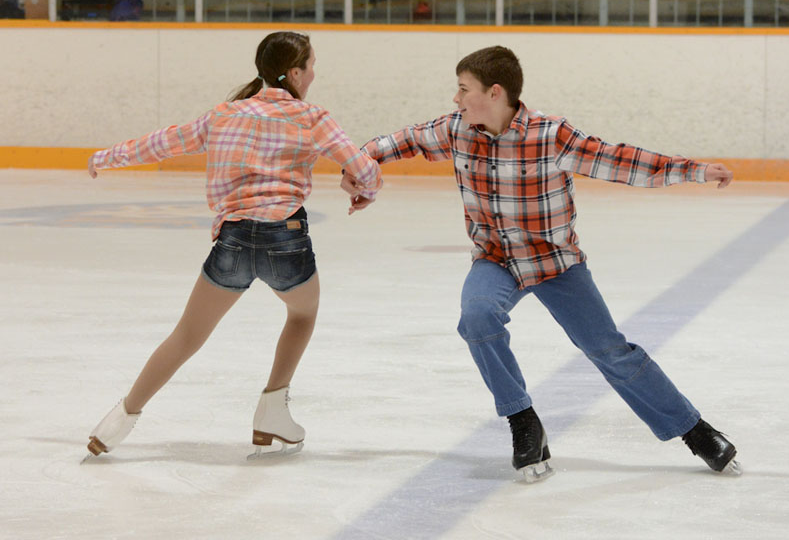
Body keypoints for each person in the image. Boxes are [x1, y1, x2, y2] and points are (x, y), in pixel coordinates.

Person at [342, 45, 739, 482]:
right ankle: (523, 420)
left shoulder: (551, 135)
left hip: (556, 264)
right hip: (496, 260)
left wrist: (696, 170)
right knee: (477, 317)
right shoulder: (457, 129)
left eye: (464, 89)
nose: (456, 98)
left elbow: (621, 162)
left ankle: (694, 430)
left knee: (609, 350)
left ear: (495, 93)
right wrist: (358, 169)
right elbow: (402, 140)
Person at [83, 31, 382, 461]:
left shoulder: (223, 115)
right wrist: (363, 190)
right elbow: (364, 169)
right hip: (286, 241)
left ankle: (120, 419)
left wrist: (106, 157)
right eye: (312, 65)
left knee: (187, 336)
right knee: (302, 313)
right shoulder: (313, 117)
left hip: (233, 241)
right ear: (295, 72)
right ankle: (272, 409)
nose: (314, 73)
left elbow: (162, 143)